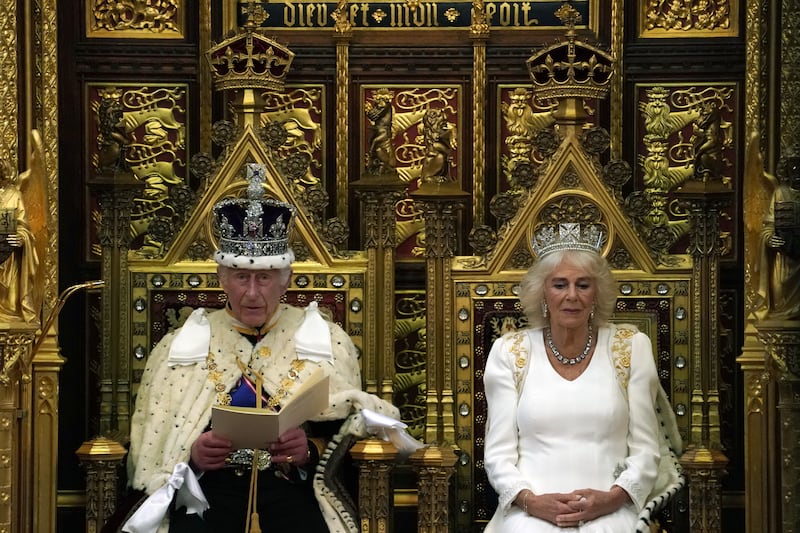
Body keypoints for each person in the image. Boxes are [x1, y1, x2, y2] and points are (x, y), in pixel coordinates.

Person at [123, 164, 400, 533]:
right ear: (222, 278)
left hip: (292, 493)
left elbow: (353, 424)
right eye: (241, 277)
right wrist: (192, 456)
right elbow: (155, 441)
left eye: (265, 278)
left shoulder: (325, 339)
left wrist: (312, 451)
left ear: (285, 280)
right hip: (208, 494)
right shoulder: (181, 345)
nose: (252, 293)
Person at [483, 222, 682, 532]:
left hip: (613, 508)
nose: (571, 295)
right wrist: (531, 501)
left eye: (583, 285)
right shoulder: (510, 352)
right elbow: (498, 454)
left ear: (596, 293)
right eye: (560, 284)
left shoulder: (630, 347)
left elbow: (646, 450)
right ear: (543, 293)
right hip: (530, 512)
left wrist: (613, 499)